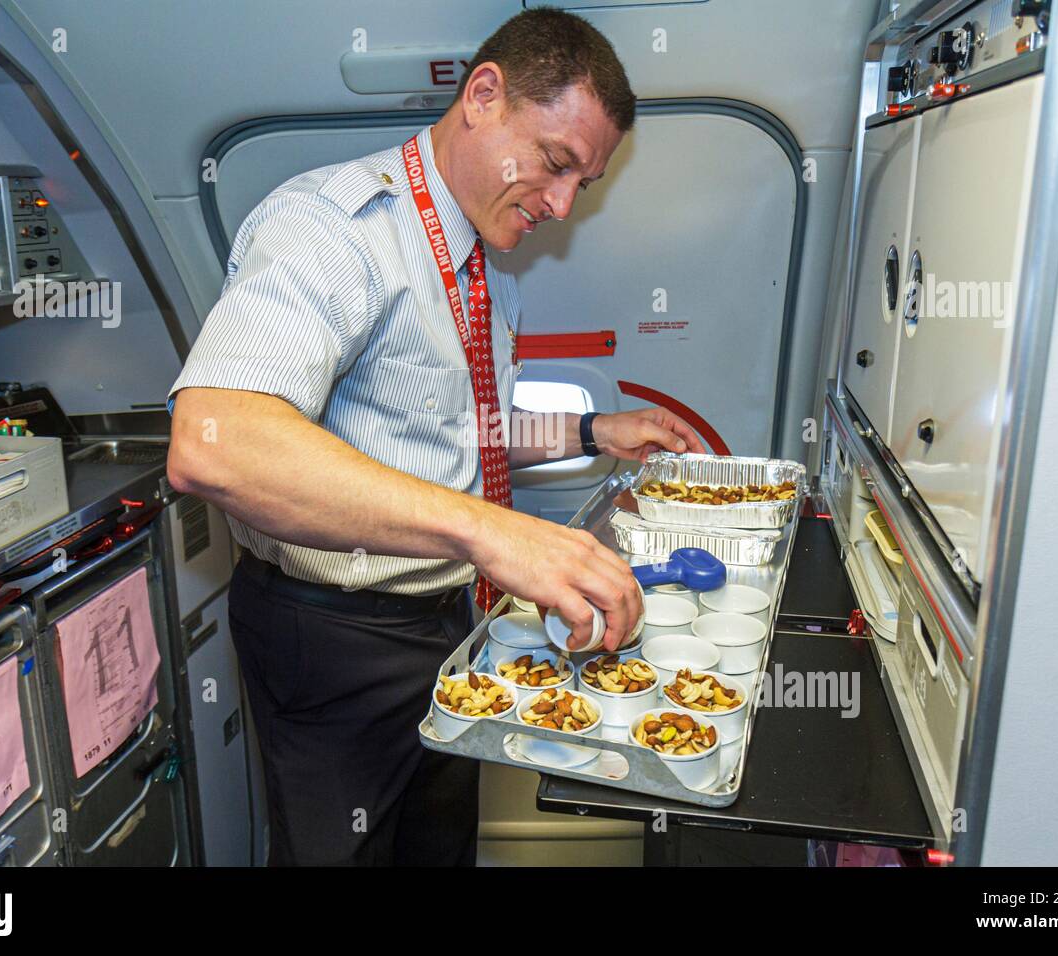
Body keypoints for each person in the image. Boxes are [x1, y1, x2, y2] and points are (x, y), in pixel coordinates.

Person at [167, 7, 705, 866]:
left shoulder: (483, 262)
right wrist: (492, 531)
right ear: (484, 95)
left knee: (439, 848)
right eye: (557, 164)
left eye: (583, 188)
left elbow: (459, 432)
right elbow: (213, 444)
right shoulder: (333, 228)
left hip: (448, 621)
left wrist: (594, 427)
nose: (563, 206)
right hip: (336, 635)